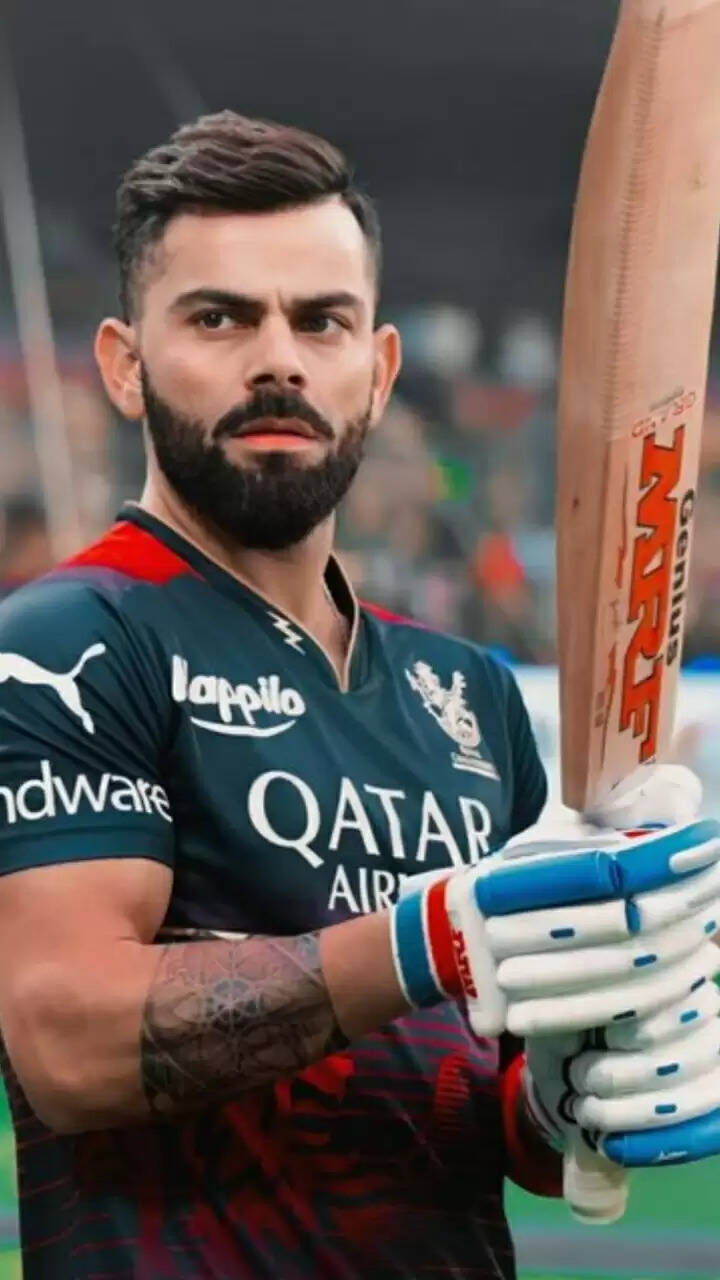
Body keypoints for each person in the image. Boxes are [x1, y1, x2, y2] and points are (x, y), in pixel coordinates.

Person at [0, 112, 716, 1280]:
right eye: (220, 317)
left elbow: (491, 1119)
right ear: (125, 364)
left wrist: (575, 1090)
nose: (278, 359)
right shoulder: (68, 640)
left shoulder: (468, 695)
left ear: (377, 373)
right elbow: (67, 1039)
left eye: (320, 319)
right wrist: (437, 932)